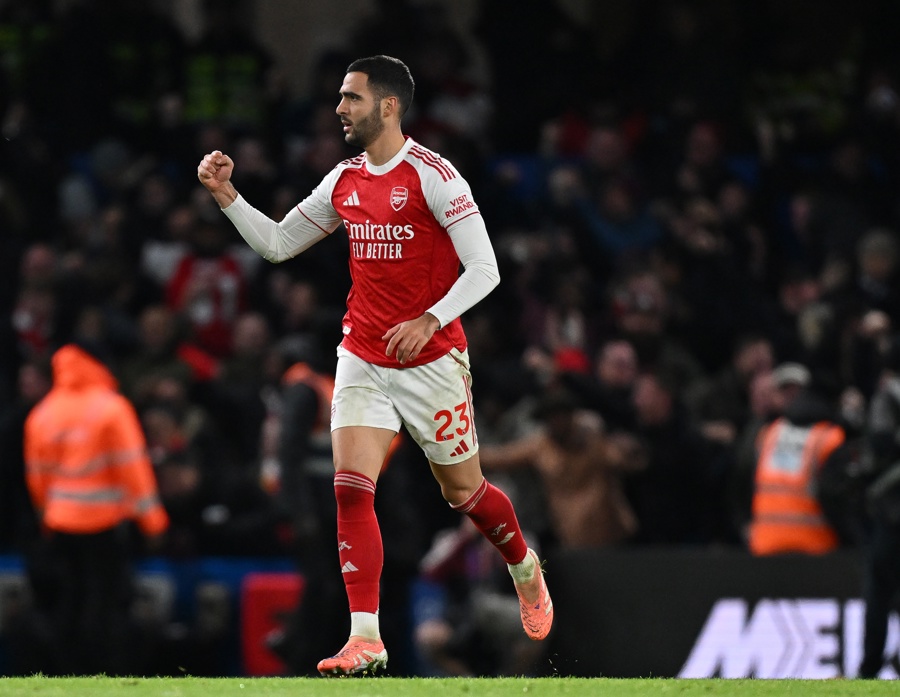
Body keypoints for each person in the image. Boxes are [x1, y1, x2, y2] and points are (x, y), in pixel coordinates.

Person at [197, 54, 553, 677]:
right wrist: (228, 197)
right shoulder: (344, 181)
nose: (339, 108)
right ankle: (367, 637)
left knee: (464, 493)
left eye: (351, 98)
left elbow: (487, 270)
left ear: (388, 106)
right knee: (350, 488)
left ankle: (524, 567)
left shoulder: (435, 177)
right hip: (361, 355)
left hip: (433, 361)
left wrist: (430, 319)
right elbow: (279, 244)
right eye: (340, 98)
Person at [22, 343, 169, 675]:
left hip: (61, 524)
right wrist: (154, 523)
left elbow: (37, 475)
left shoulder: (44, 413)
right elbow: (134, 470)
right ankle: (105, 672)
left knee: (69, 600)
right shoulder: (111, 408)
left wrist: (46, 517)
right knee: (107, 602)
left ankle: (65, 673)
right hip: (103, 523)